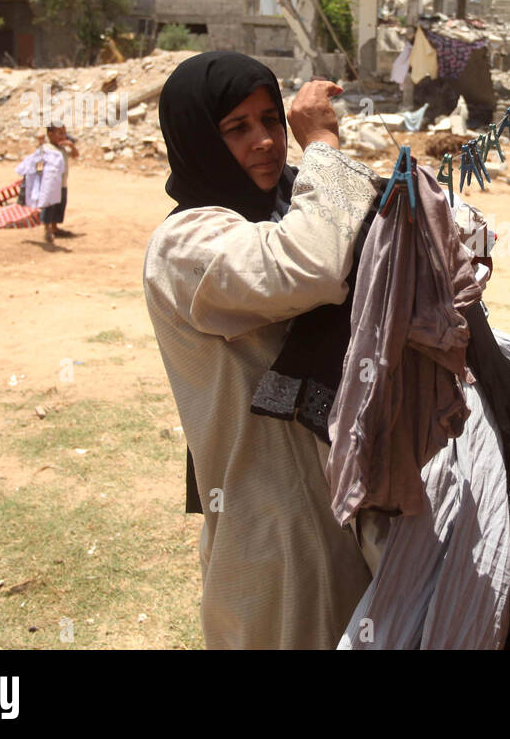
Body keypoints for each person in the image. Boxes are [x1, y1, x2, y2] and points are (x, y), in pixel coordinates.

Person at [142, 52, 383, 649]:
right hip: (270, 522)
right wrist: (323, 141)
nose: (268, 142)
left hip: (343, 504)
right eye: (238, 128)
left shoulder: (288, 207)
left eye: (272, 120)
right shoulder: (186, 245)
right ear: (198, 138)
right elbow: (315, 265)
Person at [40, 122, 78, 243]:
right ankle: (47, 230)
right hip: (51, 184)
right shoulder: (47, 147)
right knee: (50, 207)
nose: (63, 136)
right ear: (50, 134)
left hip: (62, 183)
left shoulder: (62, 149)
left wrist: (72, 146)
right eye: (60, 133)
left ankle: (55, 227)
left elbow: (76, 155)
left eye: (64, 133)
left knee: (59, 206)